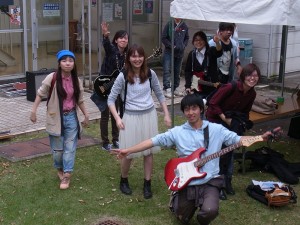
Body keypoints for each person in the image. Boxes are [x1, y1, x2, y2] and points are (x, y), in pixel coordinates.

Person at [112, 93, 276, 225]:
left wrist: (261, 137)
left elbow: (238, 140)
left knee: (209, 211)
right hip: (187, 181)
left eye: (194, 108)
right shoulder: (178, 132)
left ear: (201, 110)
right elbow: (152, 141)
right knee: (182, 217)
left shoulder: (216, 129)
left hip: (210, 180)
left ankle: (203, 211)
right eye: (187, 109)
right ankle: (176, 200)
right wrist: (128, 150)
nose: (190, 112)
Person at [107, 44, 171, 199]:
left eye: (140, 56)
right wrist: (117, 119)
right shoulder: (123, 76)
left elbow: (160, 94)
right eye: (133, 56)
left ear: (144, 57)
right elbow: (110, 99)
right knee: (127, 153)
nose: (137, 59)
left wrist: (167, 114)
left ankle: (147, 184)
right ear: (129, 58)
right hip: (130, 118)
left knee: (148, 152)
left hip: (149, 116)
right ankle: (124, 179)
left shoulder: (150, 74)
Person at [30, 50, 89, 190]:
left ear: (74, 63)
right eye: (64, 60)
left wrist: (86, 115)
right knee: (58, 151)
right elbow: (40, 94)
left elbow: (80, 100)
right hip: (55, 118)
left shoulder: (76, 80)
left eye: (70, 60)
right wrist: (33, 111)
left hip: (71, 118)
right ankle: (59, 169)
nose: (68, 63)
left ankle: (67, 175)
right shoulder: (52, 77)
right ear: (59, 63)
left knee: (69, 148)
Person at [206, 63, 261, 200]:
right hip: (216, 120)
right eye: (249, 75)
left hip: (232, 121)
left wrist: (242, 126)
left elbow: (245, 112)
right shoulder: (231, 87)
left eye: (255, 76)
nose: (252, 78)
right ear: (243, 76)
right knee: (218, 152)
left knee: (230, 151)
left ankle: (227, 181)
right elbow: (212, 103)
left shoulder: (252, 93)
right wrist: (224, 118)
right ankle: (216, 184)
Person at [99, 22, 129, 151]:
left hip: (116, 88)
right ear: (116, 40)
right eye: (121, 37)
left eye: (126, 38)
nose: (123, 40)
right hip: (105, 85)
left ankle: (115, 140)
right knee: (105, 114)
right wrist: (105, 35)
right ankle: (105, 142)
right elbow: (106, 45)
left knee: (115, 113)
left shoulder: (127, 56)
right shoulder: (112, 50)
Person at [184, 31, 222, 98]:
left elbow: (219, 52)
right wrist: (187, 86)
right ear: (193, 42)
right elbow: (188, 71)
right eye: (196, 40)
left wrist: (217, 42)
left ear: (205, 41)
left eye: (201, 40)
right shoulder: (192, 54)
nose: (198, 42)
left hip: (211, 87)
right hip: (196, 88)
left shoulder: (211, 50)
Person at [162, 18, 189, 98]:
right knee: (167, 70)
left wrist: (183, 45)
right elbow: (164, 38)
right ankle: (167, 88)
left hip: (180, 53)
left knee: (177, 71)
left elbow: (187, 37)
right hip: (169, 52)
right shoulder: (169, 25)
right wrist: (171, 46)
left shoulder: (184, 25)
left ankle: (175, 88)